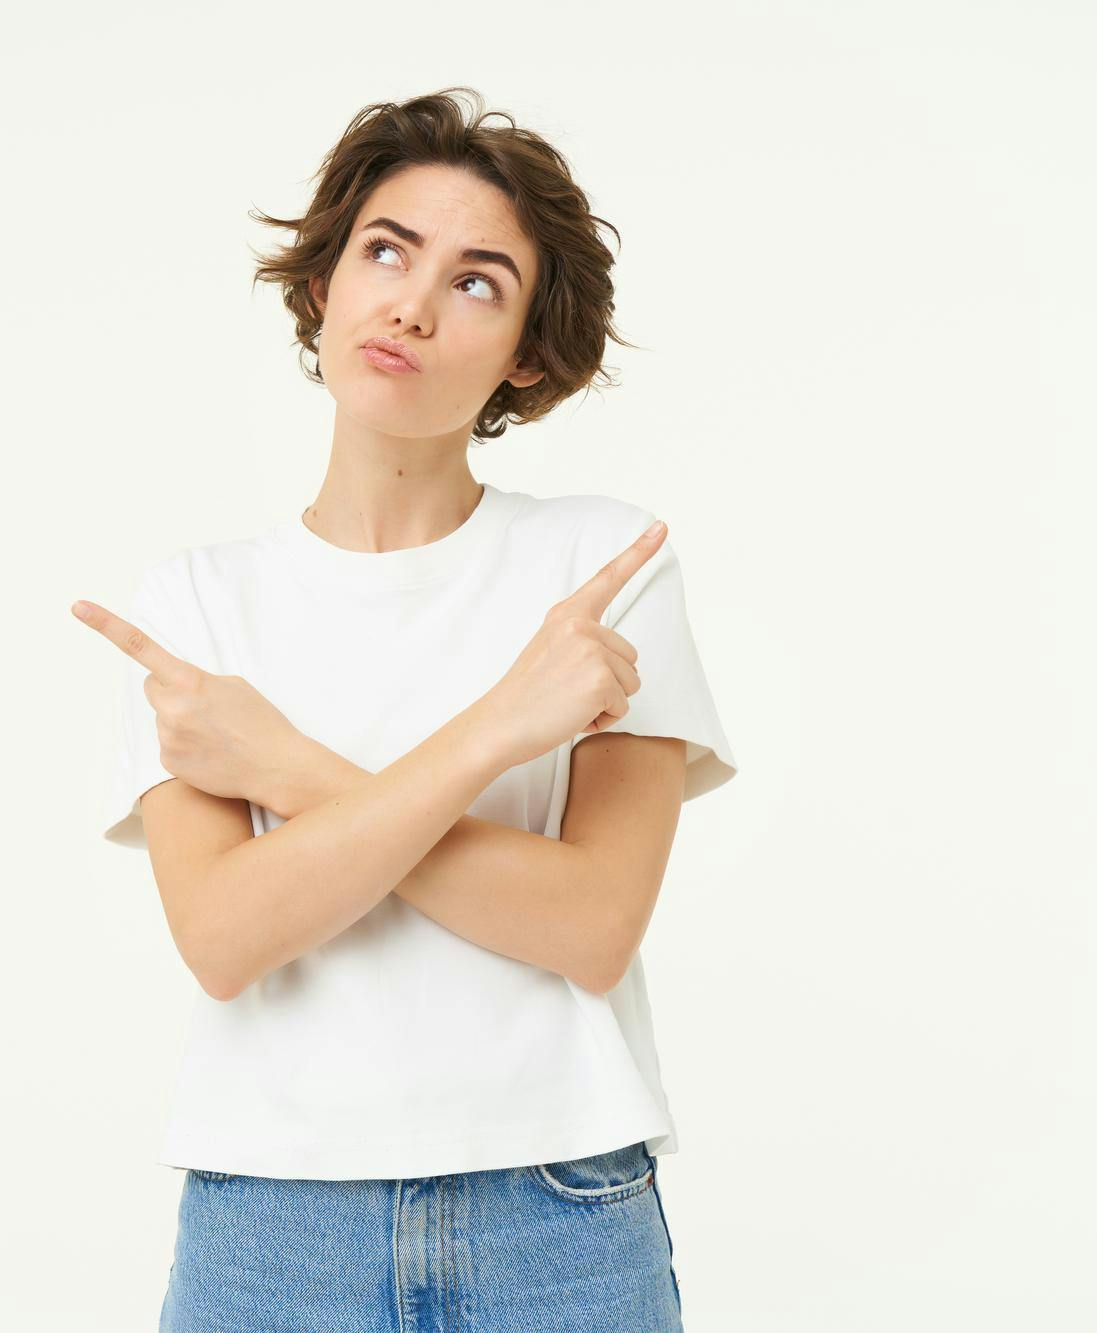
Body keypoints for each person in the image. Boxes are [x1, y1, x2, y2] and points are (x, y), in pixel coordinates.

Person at [71, 87, 737, 1331]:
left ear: (526, 354)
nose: (412, 305)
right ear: (324, 283)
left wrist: (285, 766)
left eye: (477, 282)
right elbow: (224, 936)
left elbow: (590, 923)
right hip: (271, 1219)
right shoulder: (199, 604)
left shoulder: (601, 570)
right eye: (385, 250)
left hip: (555, 1207)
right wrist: (497, 729)